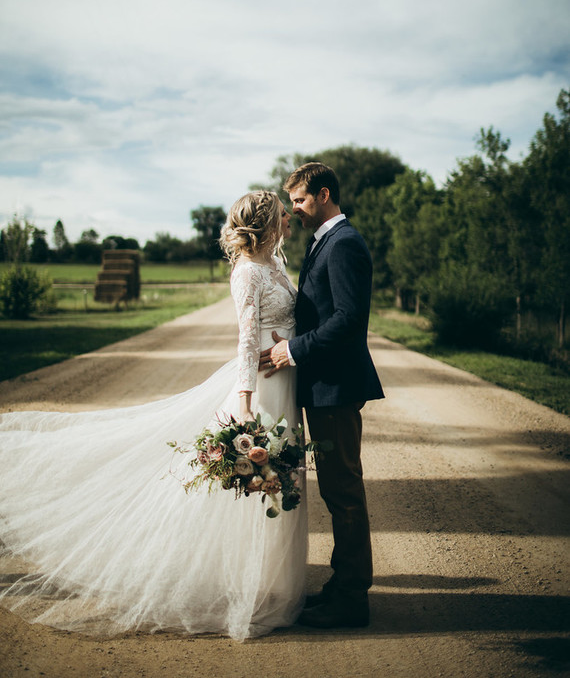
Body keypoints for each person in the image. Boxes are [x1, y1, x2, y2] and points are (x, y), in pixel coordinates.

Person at [0, 190, 306, 642]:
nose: (287, 216)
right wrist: (243, 402)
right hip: (261, 386)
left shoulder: (277, 265)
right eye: (281, 212)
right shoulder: (246, 273)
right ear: (266, 222)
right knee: (260, 481)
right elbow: (245, 339)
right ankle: (252, 587)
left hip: (286, 379)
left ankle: (279, 583)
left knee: (285, 481)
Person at [260, 162, 384, 629]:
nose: (294, 209)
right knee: (337, 491)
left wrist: (293, 349)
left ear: (324, 194)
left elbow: (348, 322)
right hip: (323, 387)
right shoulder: (324, 241)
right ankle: (339, 587)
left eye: (299, 201)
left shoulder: (345, 244)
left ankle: (352, 599)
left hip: (336, 388)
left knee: (344, 492)